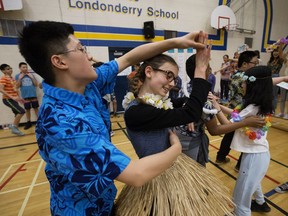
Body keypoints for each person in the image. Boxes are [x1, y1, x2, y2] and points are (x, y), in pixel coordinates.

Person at [18, 20, 210, 215]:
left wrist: (176, 42)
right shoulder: (63, 124)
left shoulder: (86, 85)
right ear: (60, 62)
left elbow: (128, 58)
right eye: (81, 49)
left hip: (105, 201)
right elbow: (136, 174)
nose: (90, 56)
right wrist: (176, 148)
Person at [116, 51, 234, 214]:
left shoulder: (154, 104)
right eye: (168, 75)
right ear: (149, 72)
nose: (172, 83)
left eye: (174, 79)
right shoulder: (138, 112)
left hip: (174, 170)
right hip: (156, 178)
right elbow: (189, 112)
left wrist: (200, 104)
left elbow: (183, 102)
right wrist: (200, 70)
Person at [176, 54, 264, 166]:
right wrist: (245, 122)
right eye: (208, 67)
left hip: (178, 140)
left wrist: (217, 106)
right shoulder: (205, 99)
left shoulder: (185, 88)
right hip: (191, 145)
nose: (211, 70)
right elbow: (214, 130)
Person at [228, 66, 274, 215]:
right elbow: (239, 115)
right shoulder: (263, 104)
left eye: (245, 83)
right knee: (253, 182)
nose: (242, 85)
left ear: (255, 86)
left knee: (241, 197)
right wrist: (218, 105)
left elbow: (230, 123)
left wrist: (213, 110)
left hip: (254, 157)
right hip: (261, 154)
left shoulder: (252, 108)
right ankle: (261, 203)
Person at [0, 64, 25, 136]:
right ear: (3, 71)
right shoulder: (3, 79)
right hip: (7, 99)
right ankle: (14, 127)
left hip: (14, 99)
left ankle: (15, 128)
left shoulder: (12, 78)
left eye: (10, 68)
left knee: (17, 114)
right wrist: (12, 97)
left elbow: (15, 88)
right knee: (21, 111)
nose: (10, 70)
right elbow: (1, 89)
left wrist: (19, 97)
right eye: (8, 69)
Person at [15, 62, 39, 130]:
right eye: (23, 67)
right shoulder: (17, 76)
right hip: (25, 96)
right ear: (20, 68)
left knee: (36, 108)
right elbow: (17, 86)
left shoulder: (31, 75)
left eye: (26, 67)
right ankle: (29, 122)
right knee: (27, 109)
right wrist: (20, 78)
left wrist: (31, 77)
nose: (25, 68)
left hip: (33, 95)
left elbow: (36, 84)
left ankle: (39, 121)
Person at [267, 44, 284, 111]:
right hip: (268, 77)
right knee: (268, 94)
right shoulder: (270, 61)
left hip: (276, 76)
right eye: (274, 51)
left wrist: (281, 45)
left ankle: (273, 109)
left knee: (274, 94)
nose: (275, 53)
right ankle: (268, 108)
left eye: (277, 51)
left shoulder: (280, 60)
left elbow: (280, 53)